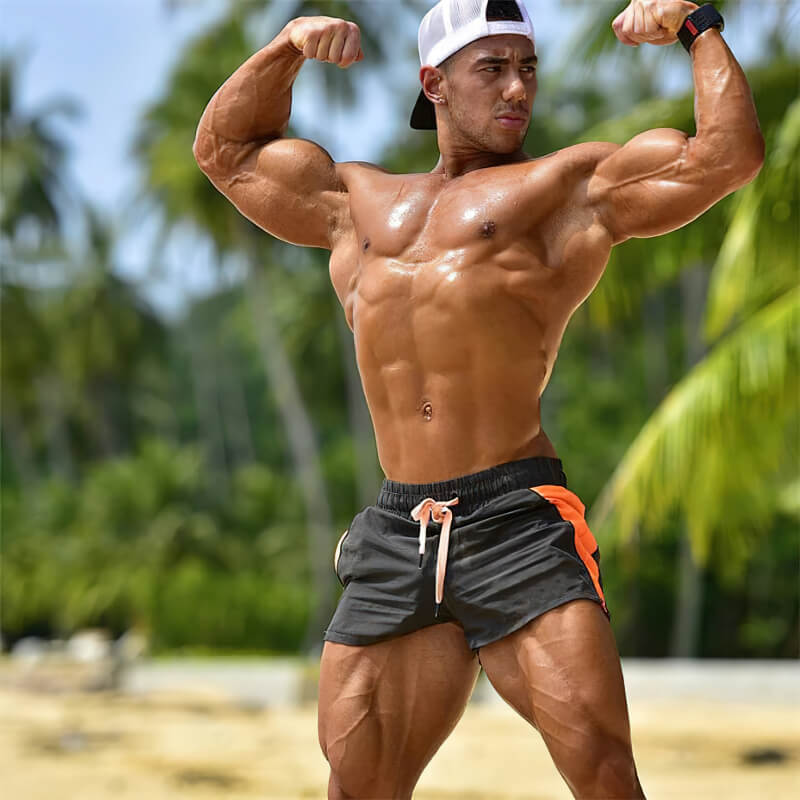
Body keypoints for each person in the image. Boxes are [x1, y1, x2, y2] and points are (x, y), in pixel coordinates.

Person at [193, 0, 763, 796]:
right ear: (435, 83)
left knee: (601, 769)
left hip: (516, 520)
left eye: (527, 68)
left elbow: (724, 157)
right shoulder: (355, 203)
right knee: (358, 785)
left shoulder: (566, 187)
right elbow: (225, 151)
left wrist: (699, 26)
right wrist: (287, 48)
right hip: (399, 529)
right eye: (491, 69)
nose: (516, 89)